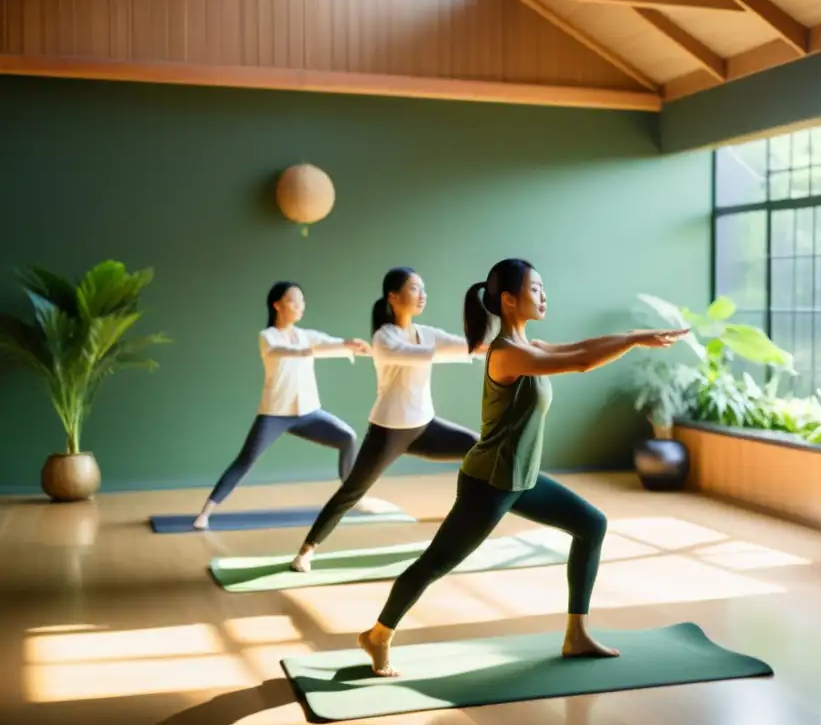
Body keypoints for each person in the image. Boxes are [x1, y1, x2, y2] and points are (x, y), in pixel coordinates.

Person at [355, 258, 689, 676]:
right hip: (489, 482)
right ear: (509, 300)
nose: (543, 295)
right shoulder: (508, 354)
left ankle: (576, 634)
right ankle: (379, 633)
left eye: (543, 287)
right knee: (436, 563)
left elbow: (580, 348)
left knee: (591, 525)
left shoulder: (530, 346)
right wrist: (635, 340)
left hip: (521, 477)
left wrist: (631, 336)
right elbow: (582, 363)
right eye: (535, 289)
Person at [290, 267, 487, 571]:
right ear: (393, 297)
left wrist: (500, 347)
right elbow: (423, 355)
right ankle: (306, 549)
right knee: (352, 491)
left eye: (423, 288)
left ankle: (466, 526)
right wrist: (470, 349)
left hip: (425, 427)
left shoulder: (427, 333)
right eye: (414, 288)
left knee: (477, 447)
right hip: (389, 432)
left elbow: (464, 346)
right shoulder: (385, 338)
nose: (422, 294)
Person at [192, 281, 371, 530]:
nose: (300, 306)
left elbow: (328, 342)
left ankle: (351, 497)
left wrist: (349, 345)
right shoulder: (267, 337)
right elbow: (283, 351)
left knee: (347, 437)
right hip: (275, 415)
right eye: (293, 301)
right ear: (277, 305)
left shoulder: (305, 335)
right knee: (245, 460)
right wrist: (312, 350)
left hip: (308, 413)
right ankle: (205, 513)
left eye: (302, 301)